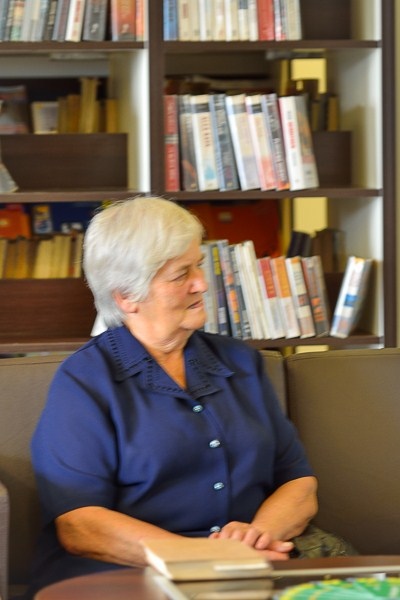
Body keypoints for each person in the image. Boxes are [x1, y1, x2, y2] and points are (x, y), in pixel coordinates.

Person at [28, 196, 318, 597]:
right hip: (128, 572)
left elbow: (298, 481)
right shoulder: (85, 382)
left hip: (249, 564)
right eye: (181, 275)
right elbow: (81, 525)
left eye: (198, 265)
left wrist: (258, 536)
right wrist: (207, 557)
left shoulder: (242, 362)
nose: (202, 283)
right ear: (126, 297)